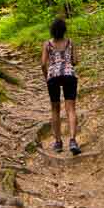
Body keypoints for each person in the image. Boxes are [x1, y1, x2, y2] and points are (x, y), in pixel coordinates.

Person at [41, 17, 80, 155]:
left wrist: (47, 76)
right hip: (69, 75)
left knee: (55, 108)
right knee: (70, 108)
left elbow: (43, 63)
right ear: (64, 30)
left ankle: (58, 142)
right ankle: (73, 140)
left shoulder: (47, 44)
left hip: (53, 77)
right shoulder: (70, 42)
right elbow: (75, 61)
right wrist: (68, 62)